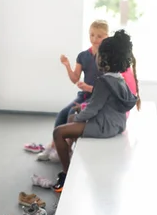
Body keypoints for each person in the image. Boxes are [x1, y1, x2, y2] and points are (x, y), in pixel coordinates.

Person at [51, 30, 138, 192]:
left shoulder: (104, 81)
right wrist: (79, 112)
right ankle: (71, 154)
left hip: (104, 126)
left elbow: (92, 110)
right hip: (118, 124)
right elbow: (104, 103)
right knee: (72, 116)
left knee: (58, 132)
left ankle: (66, 173)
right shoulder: (119, 78)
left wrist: (79, 116)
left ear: (104, 58)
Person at [28, 20, 108, 161]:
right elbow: (75, 79)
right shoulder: (83, 56)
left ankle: (67, 149)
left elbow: (108, 85)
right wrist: (67, 66)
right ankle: (53, 146)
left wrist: (89, 87)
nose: (94, 39)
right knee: (62, 114)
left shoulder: (109, 58)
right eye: (92, 35)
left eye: (99, 36)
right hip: (84, 95)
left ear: (107, 37)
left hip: (97, 97)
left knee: (72, 113)